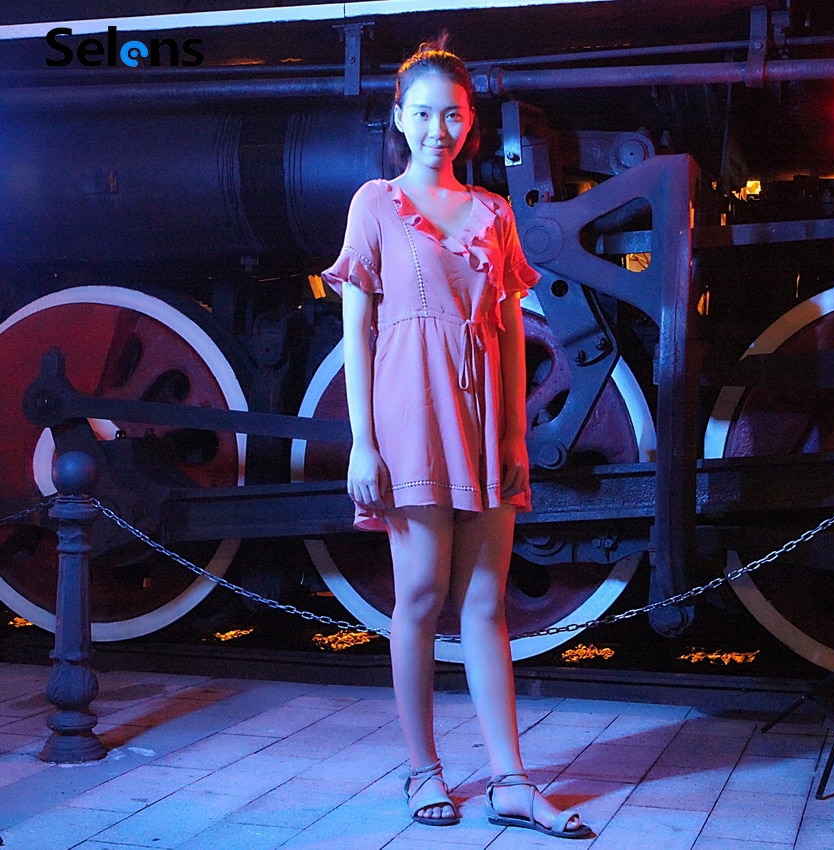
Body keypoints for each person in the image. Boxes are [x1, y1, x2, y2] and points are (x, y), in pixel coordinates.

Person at [322, 35, 591, 841]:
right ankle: (422, 770)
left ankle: (512, 782)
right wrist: (362, 443)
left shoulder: (494, 213)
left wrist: (513, 436)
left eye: (453, 115)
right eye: (423, 113)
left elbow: (508, 337)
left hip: (481, 424)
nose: (438, 129)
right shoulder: (375, 203)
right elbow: (357, 328)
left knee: (484, 603)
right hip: (409, 418)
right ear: (399, 118)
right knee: (418, 596)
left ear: (470, 121)